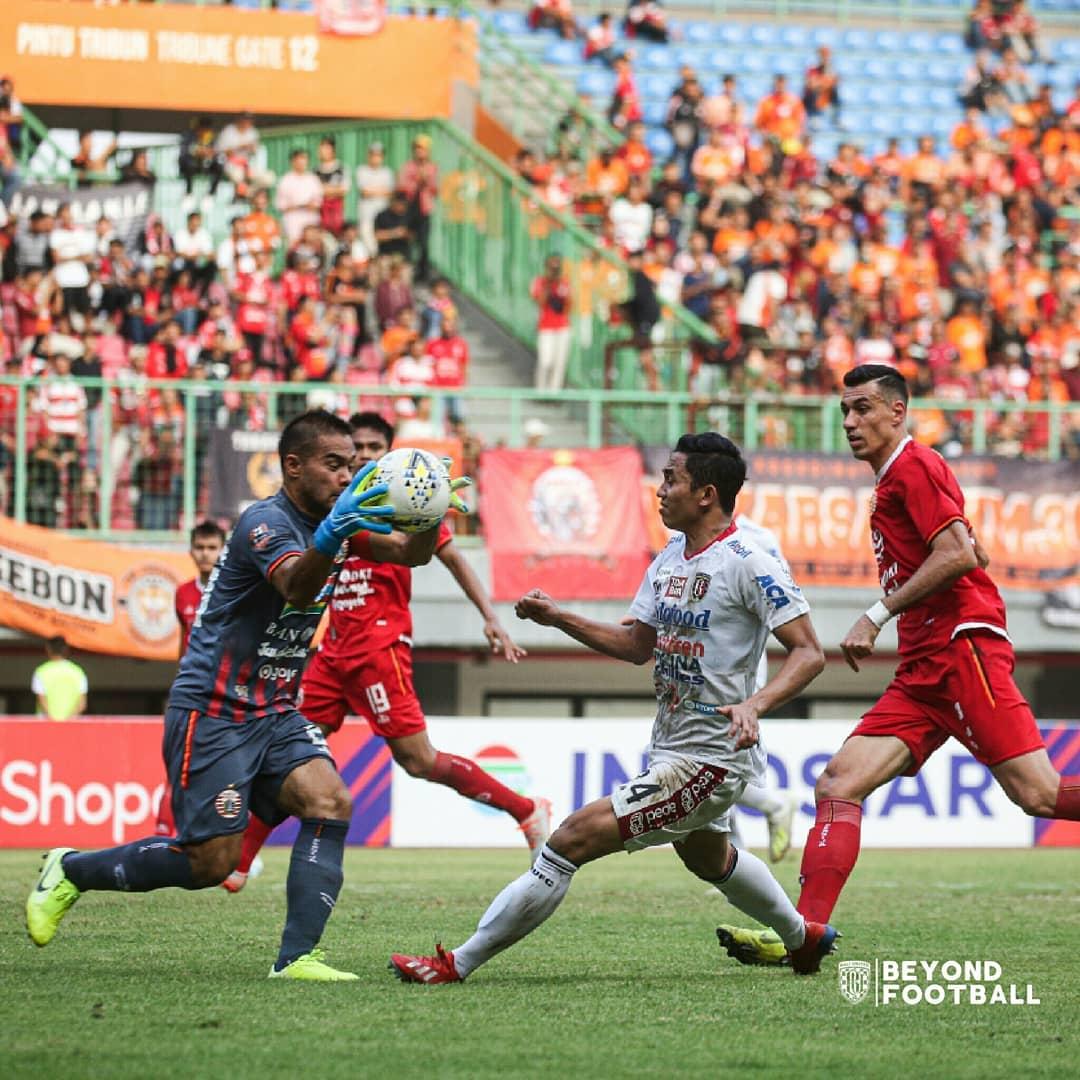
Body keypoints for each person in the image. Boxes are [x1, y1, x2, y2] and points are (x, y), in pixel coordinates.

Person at [389, 433, 837, 984]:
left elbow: (810, 651)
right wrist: (559, 619)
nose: (660, 491)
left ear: (706, 494)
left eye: (672, 479)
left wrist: (756, 703)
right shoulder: (670, 557)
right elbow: (635, 646)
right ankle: (804, 938)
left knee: (569, 839)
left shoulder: (751, 563)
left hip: (710, 758)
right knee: (708, 858)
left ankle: (456, 963)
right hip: (673, 745)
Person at [25, 410, 415, 981]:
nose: (344, 475)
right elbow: (295, 585)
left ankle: (296, 959)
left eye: (349, 465)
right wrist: (333, 535)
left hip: (277, 708)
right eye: (333, 464)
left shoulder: (341, 523)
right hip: (214, 709)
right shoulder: (265, 523)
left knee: (330, 801)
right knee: (210, 863)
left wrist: (430, 515)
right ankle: (73, 868)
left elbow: (410, 552)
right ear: (293, 466)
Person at [716, 365, 1080, 968]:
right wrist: (963, 549)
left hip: (963, 651)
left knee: (1039, 795)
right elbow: (968, 547)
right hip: (923, 667)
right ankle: (804, 934)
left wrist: (875, 614)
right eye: (845, 412)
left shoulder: (915, 464)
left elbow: (958, 554)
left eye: (862, 409)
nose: (851, 423)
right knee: (838, 782)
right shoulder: (896, 480)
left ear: (896, 412)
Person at [222, 412, 551, 892]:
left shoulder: (404, 499)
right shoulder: (339, 504)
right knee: (289, 755)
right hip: (332, 652)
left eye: (377, 445)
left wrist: (491, 616)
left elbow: (445, 555)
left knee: (418, 761)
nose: (368, 454)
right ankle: (241, 861)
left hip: (380, 646)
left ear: (391, 451)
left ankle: (526, 809)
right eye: (359, 447)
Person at [154, 520, 228, 837]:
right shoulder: (183, 593)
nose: (205, 554)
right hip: (190, 691)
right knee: (176, 763)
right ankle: (164, 832)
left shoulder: (234, 589)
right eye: (200, 548)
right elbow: (182, 644)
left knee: (225, 768)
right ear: (190, 551)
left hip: (226, 693)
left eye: (212, 548)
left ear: (223, 551)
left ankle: (225, 836)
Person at [531, 253, 572, 391]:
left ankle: (555, 391)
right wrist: (548, 285)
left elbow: (569, 306)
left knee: (559, 362)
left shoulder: (565, 283)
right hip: (546, 327)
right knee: (545, 360)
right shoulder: (539, 282)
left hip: (562, 326)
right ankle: (541, 390)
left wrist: (560, 286)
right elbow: (539, 302)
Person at [31, 636, 88, 721]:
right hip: (71, 726)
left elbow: (42, 701)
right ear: (66, 650)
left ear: (48, 649)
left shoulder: (41, 672)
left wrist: (55, 722)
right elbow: (82, 704)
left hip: (46, 726)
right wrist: (68, 721)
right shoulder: (78, 672)